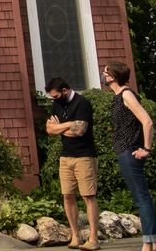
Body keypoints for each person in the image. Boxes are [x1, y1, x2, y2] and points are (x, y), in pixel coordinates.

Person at [103, 61, 156, 251]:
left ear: (113, 76)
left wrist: (146, 148)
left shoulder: (126, 94)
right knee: (142, 197)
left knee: (141, 197)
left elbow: (147, 121)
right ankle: (152, 243)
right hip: (124, 150)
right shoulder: (119, 96)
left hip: (130, 151)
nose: (104, 75)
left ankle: (148, 243)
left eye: (106, 72)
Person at [46, 76, 100, 250]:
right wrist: (69, 124)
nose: (54, 100)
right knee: (67, 196)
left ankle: (93, 239)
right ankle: (75, 236)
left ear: (65, 90)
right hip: (65, 157)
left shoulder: (82, 103)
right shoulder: (57, 104)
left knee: (88, 196)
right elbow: (49, 129)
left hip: (84, 155)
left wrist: (60, 128)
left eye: (55, 96)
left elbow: (80, 131)